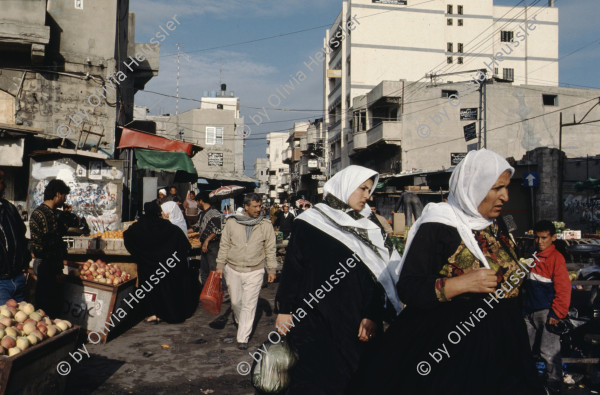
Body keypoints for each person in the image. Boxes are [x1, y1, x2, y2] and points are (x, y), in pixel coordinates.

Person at [354, 149, 545, 394]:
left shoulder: (498, 227)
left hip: (506, 348)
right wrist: (462, 284)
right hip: (456, 351)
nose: (505, 196)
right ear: (473, 186)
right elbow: (410, 288)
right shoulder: (439, 226)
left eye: (506, 188)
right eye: (497, 188)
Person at [275, 165, 402, 394]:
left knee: (358, 379)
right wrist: (285, 309)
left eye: (369, 190)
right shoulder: (309, 222)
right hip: (314, 319)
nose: (367, 196)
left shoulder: (370, 226)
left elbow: (382, 275)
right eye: (362, 188)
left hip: (357, 322)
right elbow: (294, 269)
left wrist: (373, 314)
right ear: (345, 185)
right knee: (314, 379)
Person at [216, 193, 277, 350]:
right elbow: (224, 245)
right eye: (255, 206)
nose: (259, 209)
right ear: (246, 206)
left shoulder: (265, 225)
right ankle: (240, 321)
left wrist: (271, 269)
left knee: (249, 304)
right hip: (233, 268)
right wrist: (220, 266)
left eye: (260, 206)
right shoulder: (232, 223)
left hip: (255, 270)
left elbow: (270, 249)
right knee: (236, 302)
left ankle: (242, 337)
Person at [124, 201, 198, 324]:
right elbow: (183, 244)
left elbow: (128, 237)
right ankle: (167, 313)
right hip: (166, 267)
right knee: (167, 291)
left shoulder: (138, 227)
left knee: (150, 291)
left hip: (147, 267)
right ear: (158, 212)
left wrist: (141, 255)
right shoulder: (169, 227)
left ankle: (153, 314)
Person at [523, 220, 571, 393]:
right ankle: (528, 379)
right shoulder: (531, 255)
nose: (540, 241)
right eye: (537, 238)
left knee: (549, 352)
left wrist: (557, 314)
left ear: (553, 238)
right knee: (524, 348)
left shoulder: (556, 259)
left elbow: (564, 289)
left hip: (547, 312)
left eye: (544, 238)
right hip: (529, 311)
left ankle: (554, 382)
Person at [30, 179, 70, 317]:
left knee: (42, 305)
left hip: (41, 263)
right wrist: (58, 270)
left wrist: (66, 214)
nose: (64, 200)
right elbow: (51, 245)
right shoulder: (48, 215)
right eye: (64, 196)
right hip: (48, 265)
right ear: (58, 194)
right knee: (50, 308)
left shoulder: (40, 211)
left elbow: (61, 230)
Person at [0, 170, 29, 305]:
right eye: (1, 181)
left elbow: (21, 238)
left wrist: (24, 263)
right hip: (1, 284)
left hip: (17, 279)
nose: (4, 185)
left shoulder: (9, 209)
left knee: (20, 322)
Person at [192, 191, 223, 286]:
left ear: (201, 201)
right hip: (204, 245)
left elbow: (217, 230)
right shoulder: (202, 214)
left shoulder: (214, 212)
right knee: (204, 271)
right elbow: (197, 227)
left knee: (213, 270)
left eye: (197, 202)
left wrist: (207, 241)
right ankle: (206, 292)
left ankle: (218, 291)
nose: (196, 204)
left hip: (212, 245)